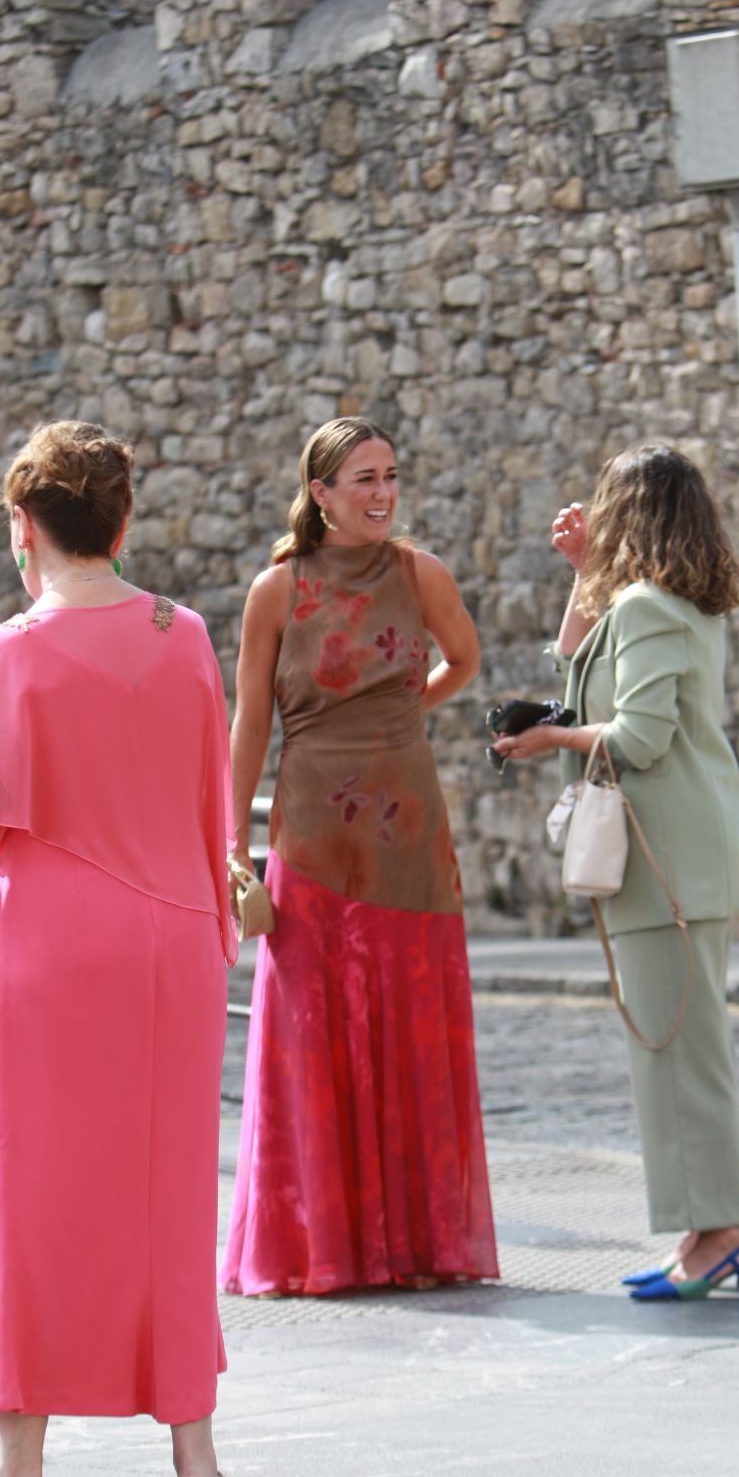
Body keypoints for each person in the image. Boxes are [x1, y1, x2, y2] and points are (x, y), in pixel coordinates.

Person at [0, 420, 252, 1477]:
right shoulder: (184, 635)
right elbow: (212, 807)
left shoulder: (3, 655)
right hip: (176, 942)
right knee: (167, 1200)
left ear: (22, 530)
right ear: (123, 523)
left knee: (37, 1202)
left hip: (55, 947)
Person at [221, 417, 498, 1296]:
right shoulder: (276, 590)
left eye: (390, 475)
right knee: (309, 1025)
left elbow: (465, 659)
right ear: (321, 494)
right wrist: (232, 845)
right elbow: (249, 727)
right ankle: (321, 1247)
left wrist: (402, 712)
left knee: (414, 1019)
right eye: (362, 479)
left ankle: (419, 1245)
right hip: (309, 828)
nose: (382, 493)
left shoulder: (422, 574)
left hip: (409, 827)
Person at [494, 442, 739, 1302]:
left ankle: (720, 1232)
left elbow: (637, 738)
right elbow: (575, 670)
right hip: (682, 858)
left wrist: (546, 742)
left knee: (680, 1055)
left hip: (667, 862)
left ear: (629, 514)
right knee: (678, 1054)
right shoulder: (665, 604)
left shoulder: (647, 608)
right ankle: (707, 1231)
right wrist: (583, 572)